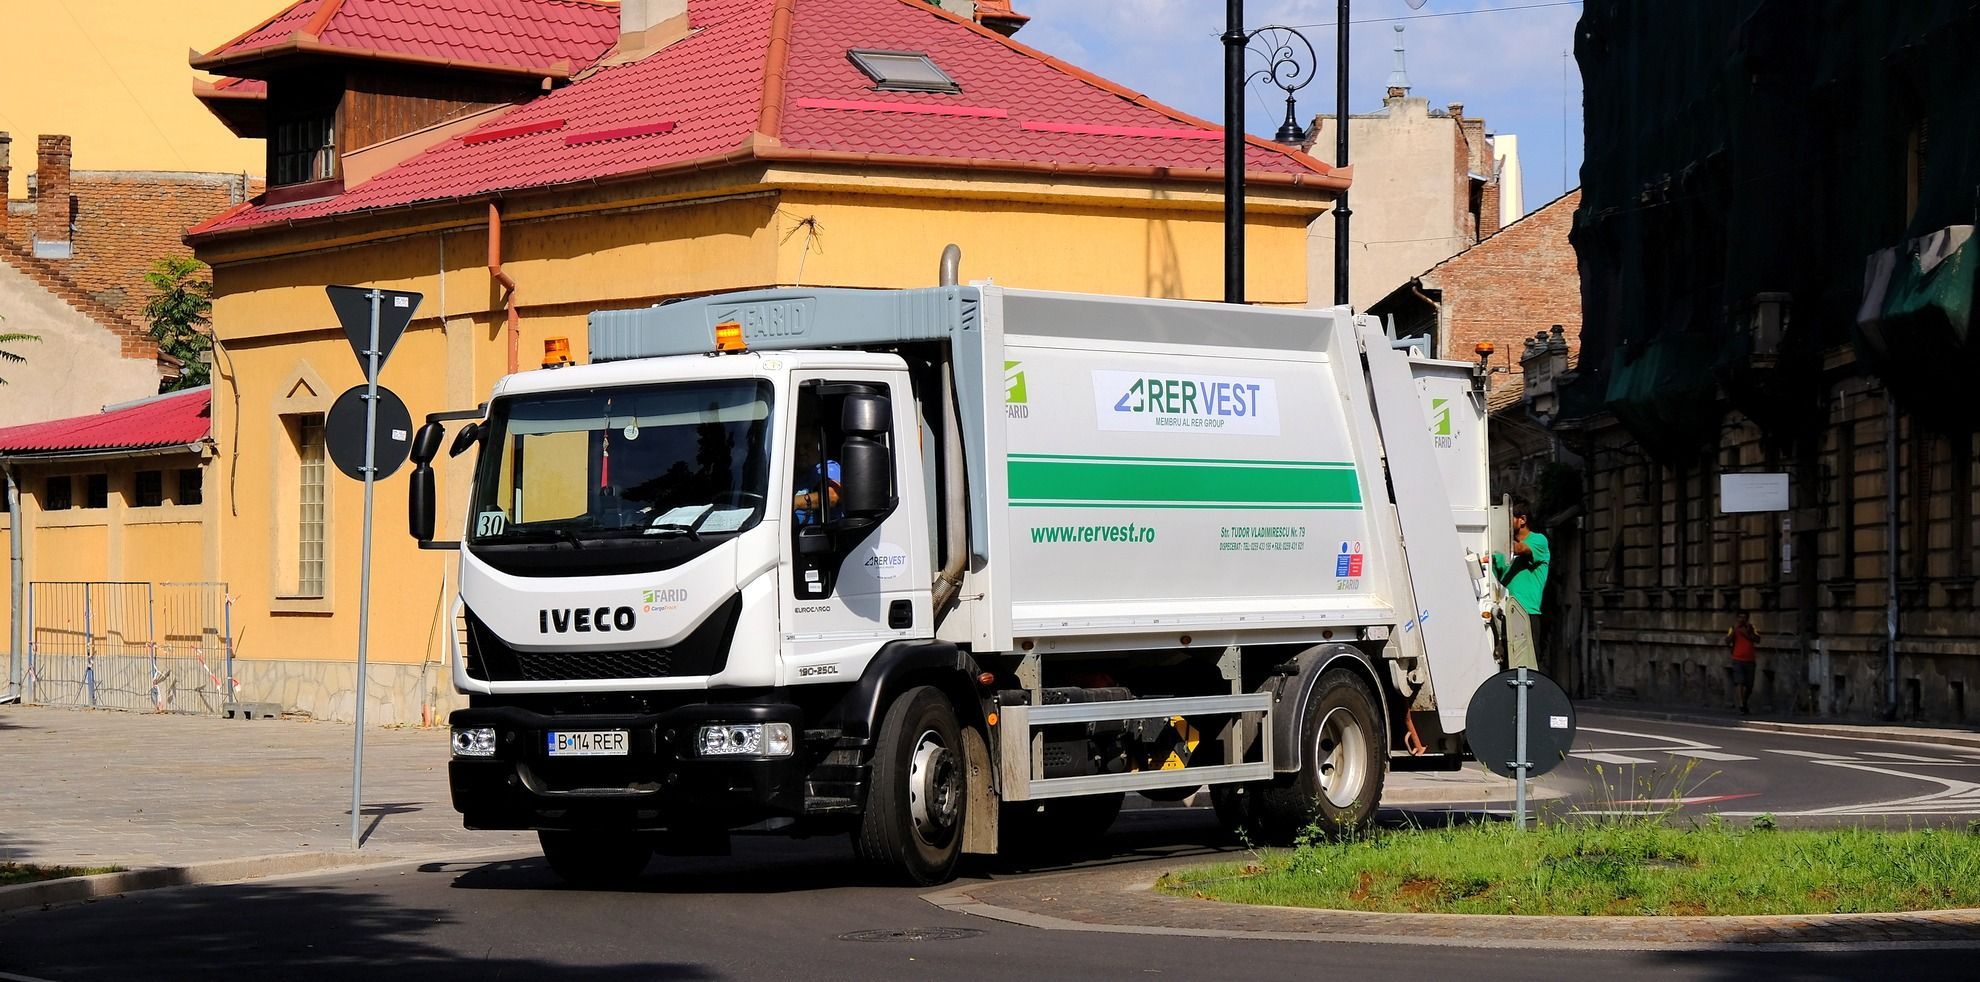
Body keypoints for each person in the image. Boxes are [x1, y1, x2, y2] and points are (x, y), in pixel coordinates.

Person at [1492, 496, 1550, 669]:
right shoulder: (1500, 550)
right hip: (1503, 616)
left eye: (1507, 518)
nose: (1503, 523)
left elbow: (1521, 548)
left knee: (1527, 671)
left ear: (1522, 520)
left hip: (1527, 615)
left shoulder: (1538, 541)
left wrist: (1498, 538)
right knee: (1505, 670)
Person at [792, 437, 841, 526]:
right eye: (797, 446)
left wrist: (794, 503)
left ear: (818, 447)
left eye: (807, 446)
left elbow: (832, 495)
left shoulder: (826, 467)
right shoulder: (791, 475)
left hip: (817, 532)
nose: (801, 452)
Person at [1726, 610, 1761, 714]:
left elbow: (1758, 639)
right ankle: (1741, 705)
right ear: (1737, 618)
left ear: (1747, 619)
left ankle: (1744, 701)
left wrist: (1748, 632)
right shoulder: (1733, 628)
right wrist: (1735, 630)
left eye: (1744, 617)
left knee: (1749, 686)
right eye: (1740, 617)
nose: (1742, 619)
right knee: (1739, 682)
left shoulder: (1751, 628)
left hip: (1750, 660)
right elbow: (1727, 641)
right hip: (1737, 659)